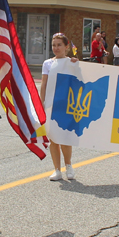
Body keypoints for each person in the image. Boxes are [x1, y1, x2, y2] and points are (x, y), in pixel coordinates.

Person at [40, 33, 79, 181]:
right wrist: (41, 103)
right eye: (54, 45)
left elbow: (79, 81)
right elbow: (44, 85)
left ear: (66, 47)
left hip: (67, 106)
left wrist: (77, 64)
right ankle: (57, 169)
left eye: (59, 45)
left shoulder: (72, 62)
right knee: (54, 139)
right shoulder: (47, 63)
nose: (56, 48)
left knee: (65, 137)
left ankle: (69, 166)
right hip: (51, 105)